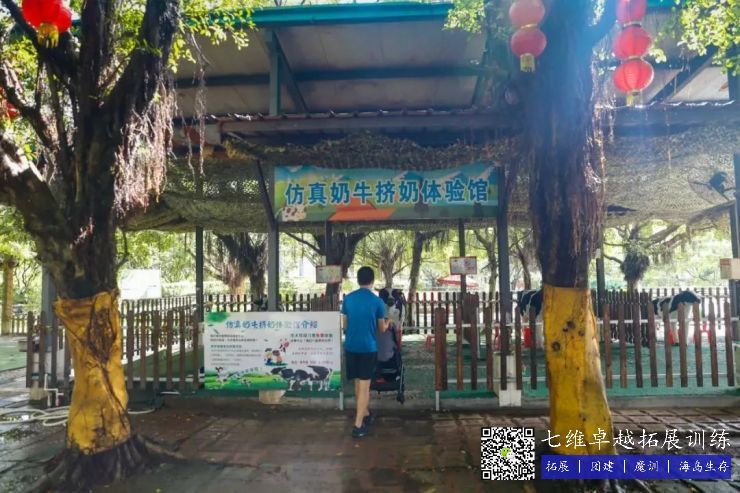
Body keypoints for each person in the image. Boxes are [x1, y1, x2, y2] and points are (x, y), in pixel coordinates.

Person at [341, 266, 388, 438]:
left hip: (351, 346)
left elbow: (344, 325)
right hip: (368, 348)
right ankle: (358, 425)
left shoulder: (348, 299)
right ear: (372, 281)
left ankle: (365, 413)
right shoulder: (377, 302)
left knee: (357, 383)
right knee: (365, 386)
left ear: (358, 280)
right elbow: (381, 328)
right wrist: (388, 323)